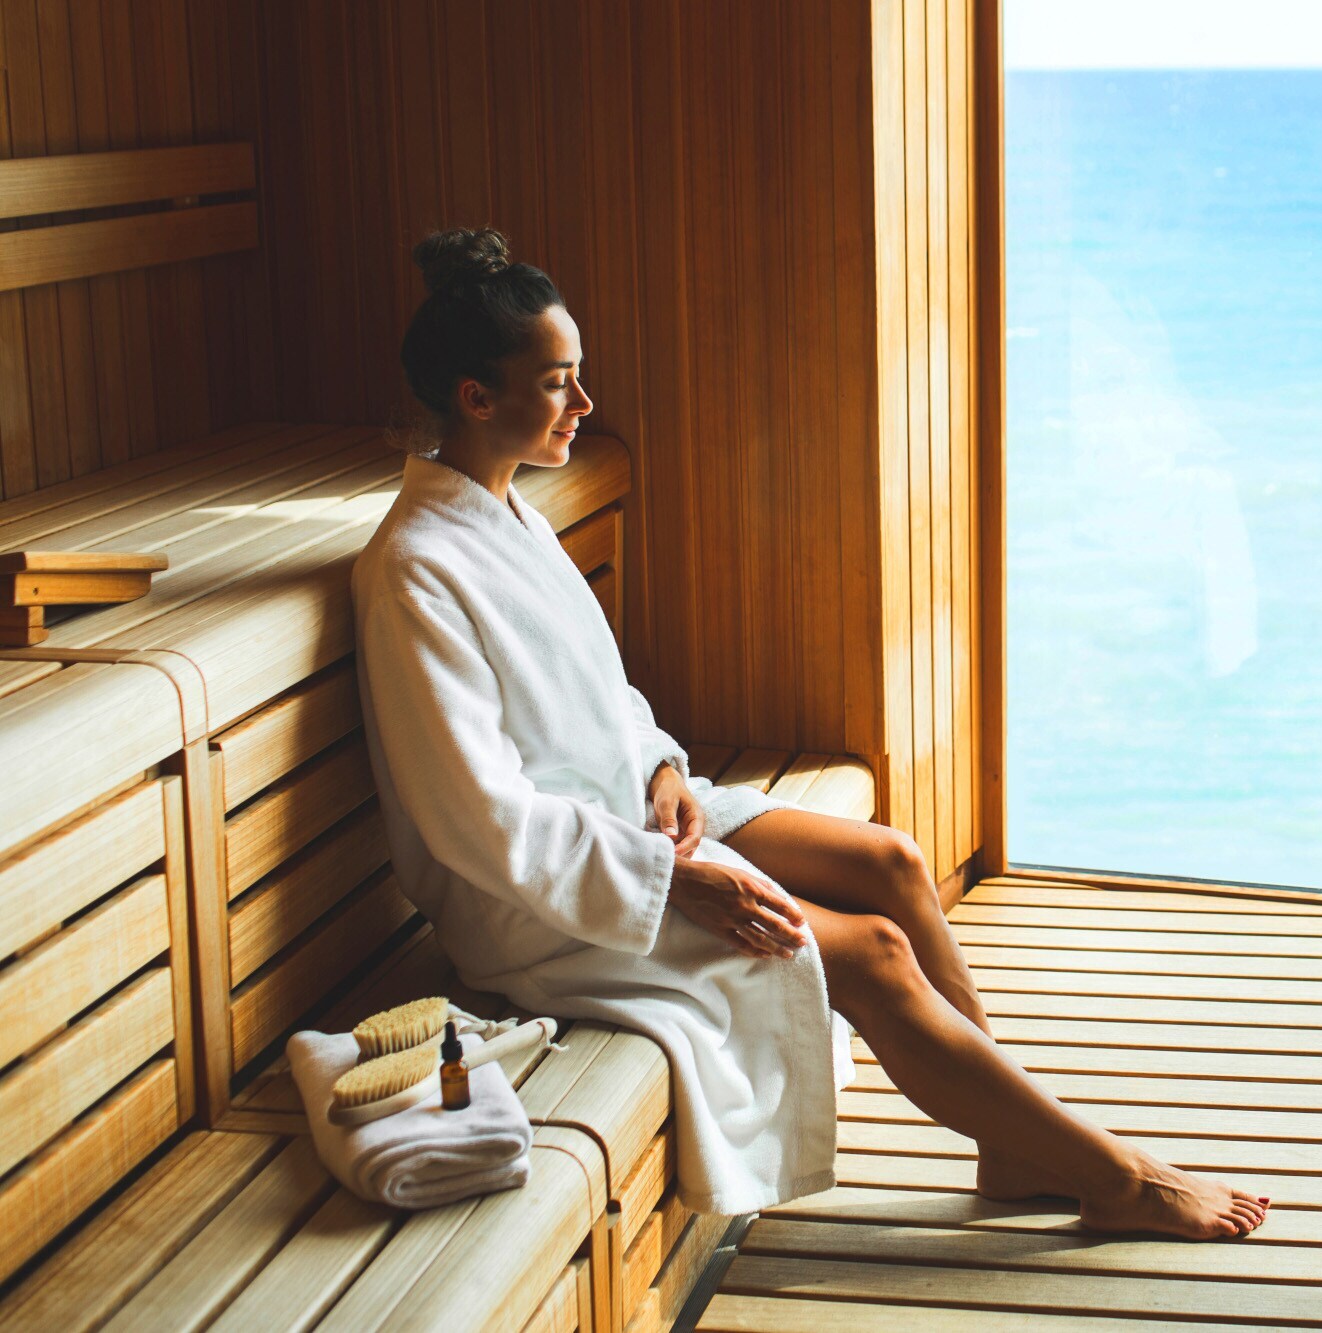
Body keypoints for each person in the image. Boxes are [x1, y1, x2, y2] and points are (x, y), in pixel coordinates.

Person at [351, 227, 1269, 1237]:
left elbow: (597, 695)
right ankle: (1113, 1176)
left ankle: (1009, 1141)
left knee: (889, 861)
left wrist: (660, 765)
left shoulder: (510, 514)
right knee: (870, 951)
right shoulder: (415, 569)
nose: (583, 404)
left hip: (638, 821)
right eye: (559, 382)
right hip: (547, 901)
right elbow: (474, 819)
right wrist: (674, 877)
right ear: (477, 398)